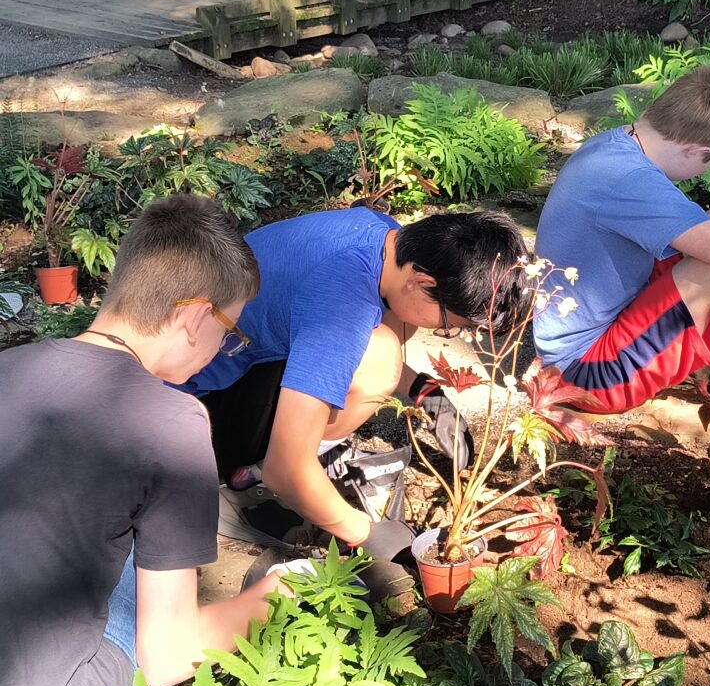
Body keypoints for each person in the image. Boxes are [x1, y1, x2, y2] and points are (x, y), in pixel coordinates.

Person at [0, 194, 287, 686]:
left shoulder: (10, 364)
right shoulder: (174, 421)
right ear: (196, 318)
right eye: (230, 331)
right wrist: (273, 596)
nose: (225, 348)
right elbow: (166, 659)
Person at [178, 207, 529, 555]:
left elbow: (353, 341)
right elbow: (286, 470)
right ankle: (243, 490)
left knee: (388, 332)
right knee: (382, 356)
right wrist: (364, 534)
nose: (443, 331)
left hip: (224, 364)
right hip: (192, 417)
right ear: (423, 283)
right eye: (450, 325)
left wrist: (425, 392)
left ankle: (284, 455)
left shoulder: (386, 237)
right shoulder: (341, 301)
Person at [533, 65, 710, 415]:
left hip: (605, 324)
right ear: (696, 151)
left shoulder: (615, 145)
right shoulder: (631, 181)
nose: (707, 170)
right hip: (583, 374)